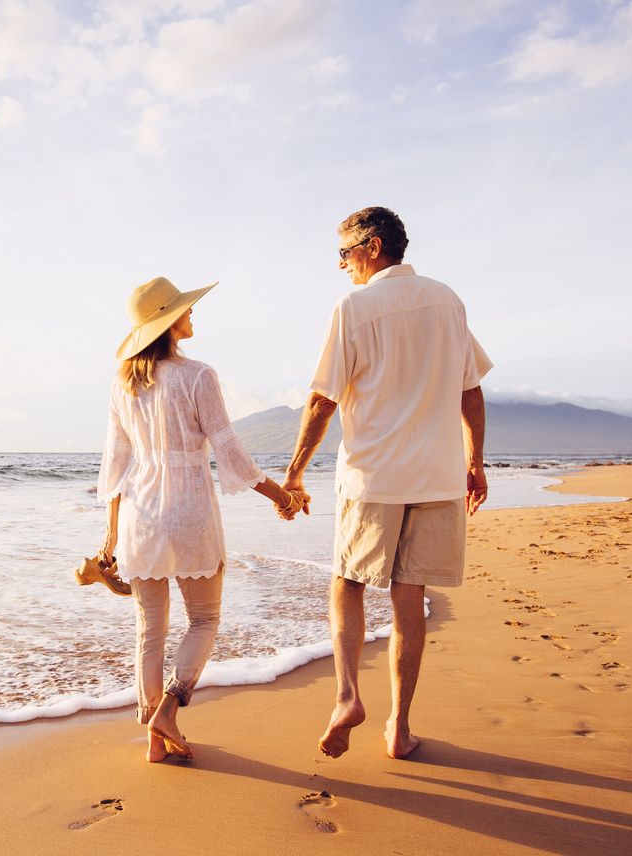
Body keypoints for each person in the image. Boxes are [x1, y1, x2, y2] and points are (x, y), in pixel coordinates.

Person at [281, 207, 492, 760]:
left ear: (373, 248)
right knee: (409, 594)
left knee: (348, 583)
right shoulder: (447, 299)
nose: (342, 265)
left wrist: (295, 470)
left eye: (345, 253)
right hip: (438, 474)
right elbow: (471, 390)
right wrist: (476, 463)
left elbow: (323, 398)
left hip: (373, 476)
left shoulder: (355, 305)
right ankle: (398, 728)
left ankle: (348, 696)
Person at [98, 276, 306, 763]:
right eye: (187, 310)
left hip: (139, 515)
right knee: (205, 619)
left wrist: (110, 533)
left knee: (150, 630)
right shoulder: (197, 376)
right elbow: (229, 451)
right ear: (170, 322)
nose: (194, 316)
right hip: (189, 511)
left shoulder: (122, 383)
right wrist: (281, 496)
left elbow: (114, 465)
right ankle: (171, 706)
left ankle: (154, 737)